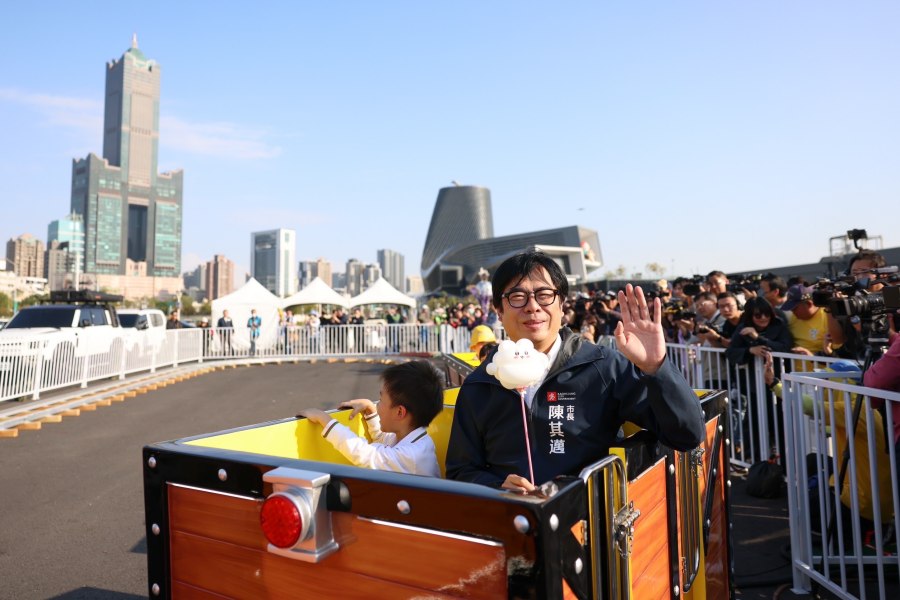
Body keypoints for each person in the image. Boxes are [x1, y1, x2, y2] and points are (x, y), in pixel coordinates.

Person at [445, 250, 705, 493]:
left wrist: (657, 367)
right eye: (517, 296)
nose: (532, 306)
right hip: (515, 525)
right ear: (498, 311)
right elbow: (461, 471)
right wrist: (498, 486)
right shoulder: (480, 384)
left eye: (544, 294)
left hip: (591, 522)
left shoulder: (603, 367)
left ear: (561, 304)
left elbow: (687, 435)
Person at [298, 361, 444, 476]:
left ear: (400, 412)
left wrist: (324, 419)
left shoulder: (413, 456)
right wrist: (371, 412)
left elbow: (367, 455)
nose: (378, 405)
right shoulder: (410, 438)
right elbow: (383, 442)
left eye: (380, 400)